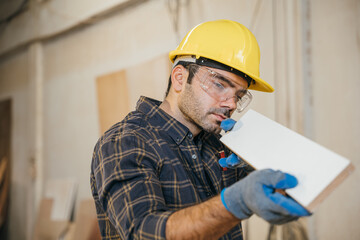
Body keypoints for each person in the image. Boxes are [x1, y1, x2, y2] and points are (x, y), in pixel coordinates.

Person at [90, 19, 310, 240]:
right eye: (220, 84)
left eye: (239, 95)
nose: (231, 104)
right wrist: (235, 203)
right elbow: (144, 232)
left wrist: (260, 158)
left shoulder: (219, 146)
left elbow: (285, 189)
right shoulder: (126, 141)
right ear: (179, 78)